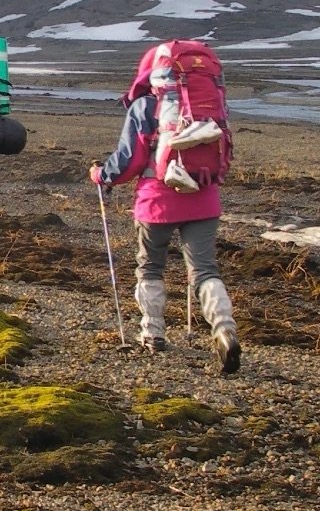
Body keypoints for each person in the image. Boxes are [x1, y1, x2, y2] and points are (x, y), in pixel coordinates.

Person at [90, 43, 241, 372]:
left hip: (157, 201)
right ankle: (224, 329)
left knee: (150, 267)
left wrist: (101, 175)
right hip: (204, 196)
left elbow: (129, 161)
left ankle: (152, 333)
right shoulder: (210, 104)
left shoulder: (145, 106)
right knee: (205, 270)